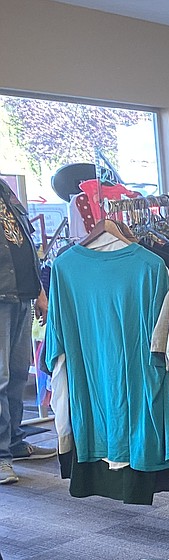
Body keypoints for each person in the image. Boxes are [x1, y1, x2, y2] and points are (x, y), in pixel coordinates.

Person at [0, 178, 54, 485]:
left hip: (20, 295)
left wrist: (39, 292)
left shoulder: (5, 191)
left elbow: (25, 246)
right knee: (1, 377)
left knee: (19, 374)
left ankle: (14, 442)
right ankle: (1, 455)